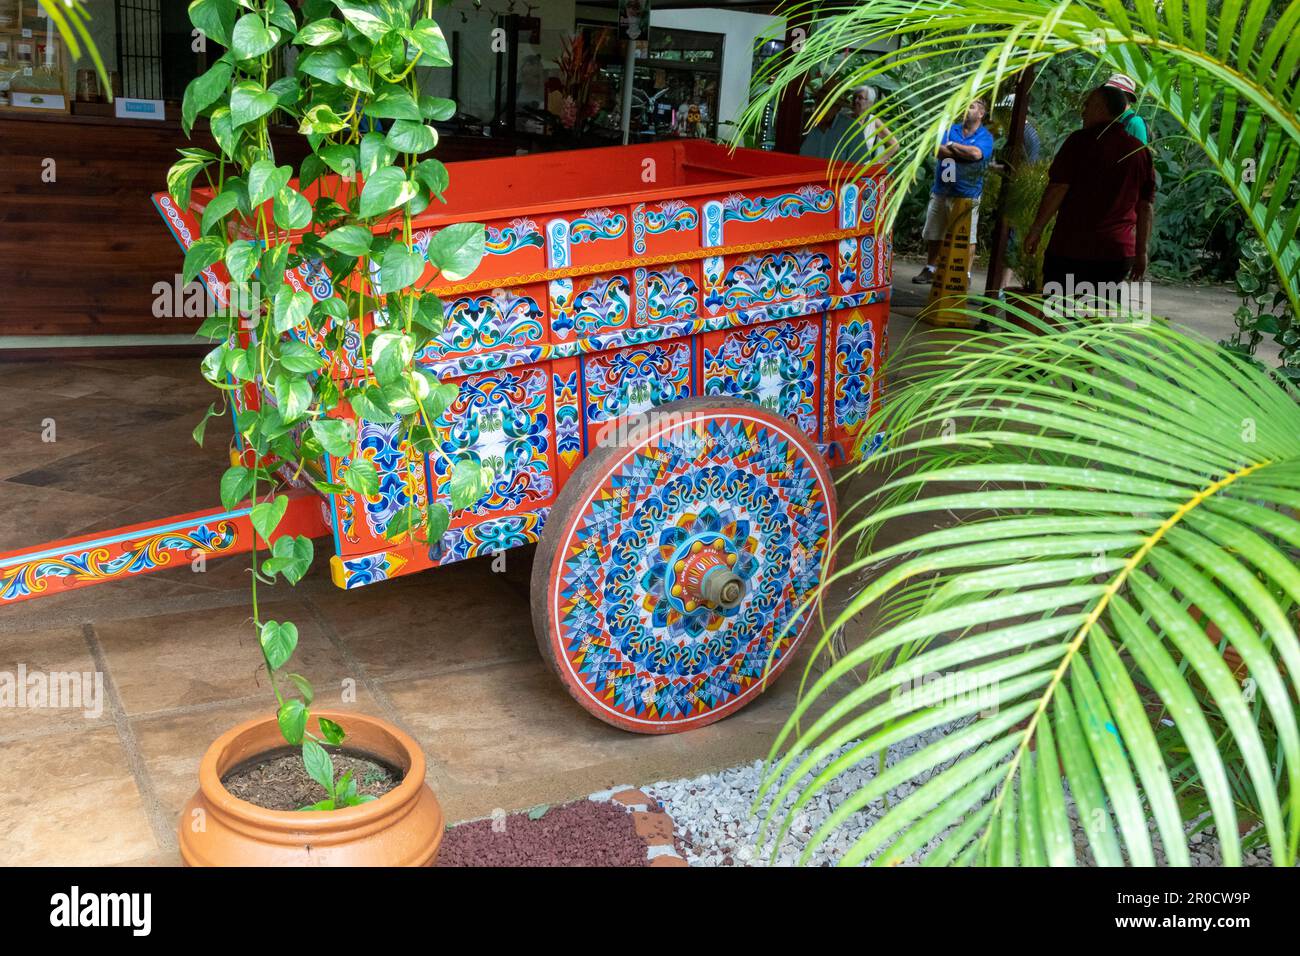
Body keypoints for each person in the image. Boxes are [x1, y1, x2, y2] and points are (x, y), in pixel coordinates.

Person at [1024, 84, 1156, 297]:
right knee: (1095, 318)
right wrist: (1141, 252)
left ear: (1100, 108)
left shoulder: (1079, 142)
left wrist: (1037, 229)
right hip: (1116, 254)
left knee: (1057, 315)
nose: (1083, 111)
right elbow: (1146, 206)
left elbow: (1058, 188)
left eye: (1087, 105)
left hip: (1072, 249)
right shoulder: (1139, 152)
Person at [911, 98, 996, 284]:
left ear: (981, 113)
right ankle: (931, 267)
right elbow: (938, 150)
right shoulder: (951, 129)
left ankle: (964, 274)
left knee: (967, 236)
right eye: (966, 105)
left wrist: (952, 146)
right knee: (935, 231)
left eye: (972, 107)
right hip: (942, 190)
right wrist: (962, 153)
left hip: (967, 193)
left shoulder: (985, 136)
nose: (967, 109)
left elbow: (977, 154)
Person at [848, 84, 898, 165]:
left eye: (860, 98)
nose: (856, 100)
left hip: (862, 171)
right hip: (841, 167)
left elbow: (894, 145)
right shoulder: (844, 117)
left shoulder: (874, 122)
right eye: (854, 97)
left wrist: (877, 162)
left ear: (869, 103)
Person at [1104, 73, 1149, 144]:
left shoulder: (1135, 123)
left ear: (1127, 96)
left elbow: (1141, 154)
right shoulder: (1112, 118)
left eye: (1114, 93)